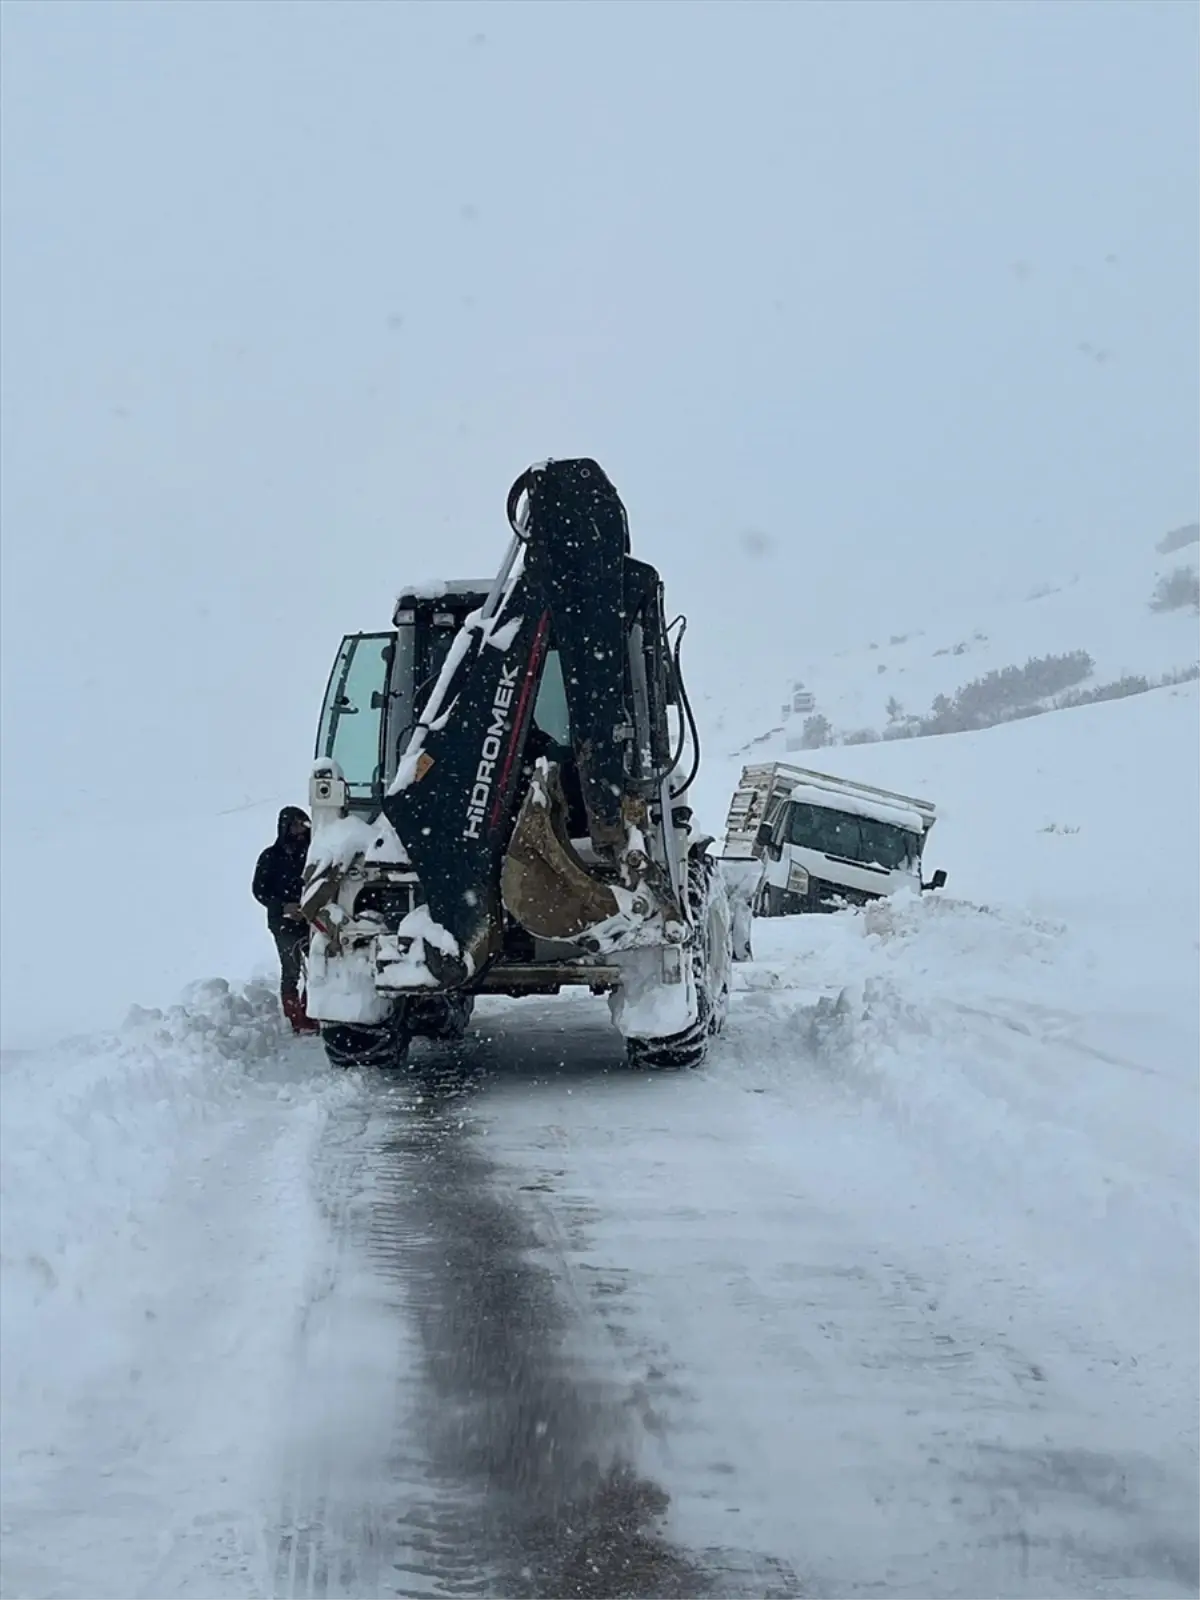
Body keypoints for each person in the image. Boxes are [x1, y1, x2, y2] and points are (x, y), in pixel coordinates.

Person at [253, 807, 319, 1035]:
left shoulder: (313, 852)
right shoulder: (270, 856)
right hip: (282, 922)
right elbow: (259, 890)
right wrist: (282, 907)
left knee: (318, 965)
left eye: (303, 824)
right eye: (295, 825)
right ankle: (296, 1018)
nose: (300, 830)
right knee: (291, 968)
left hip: (312, 919)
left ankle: (312, 1011)